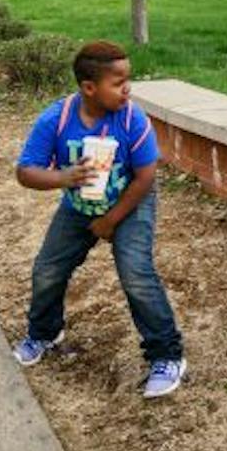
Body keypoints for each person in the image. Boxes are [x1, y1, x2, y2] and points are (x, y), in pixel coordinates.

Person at [12, 40, 186, 398]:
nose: (128, 89)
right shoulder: (57, 120)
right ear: (89, 88)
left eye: (128, 80)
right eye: (118, 82)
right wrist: (62, 178)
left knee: (136, 273)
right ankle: (44, 333)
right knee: (48, 269)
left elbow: (145, 176)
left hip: (129, 203)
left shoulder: (131, 118)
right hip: (78, 207)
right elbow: (25, 172)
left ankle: (167, 356)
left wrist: (112, 220)